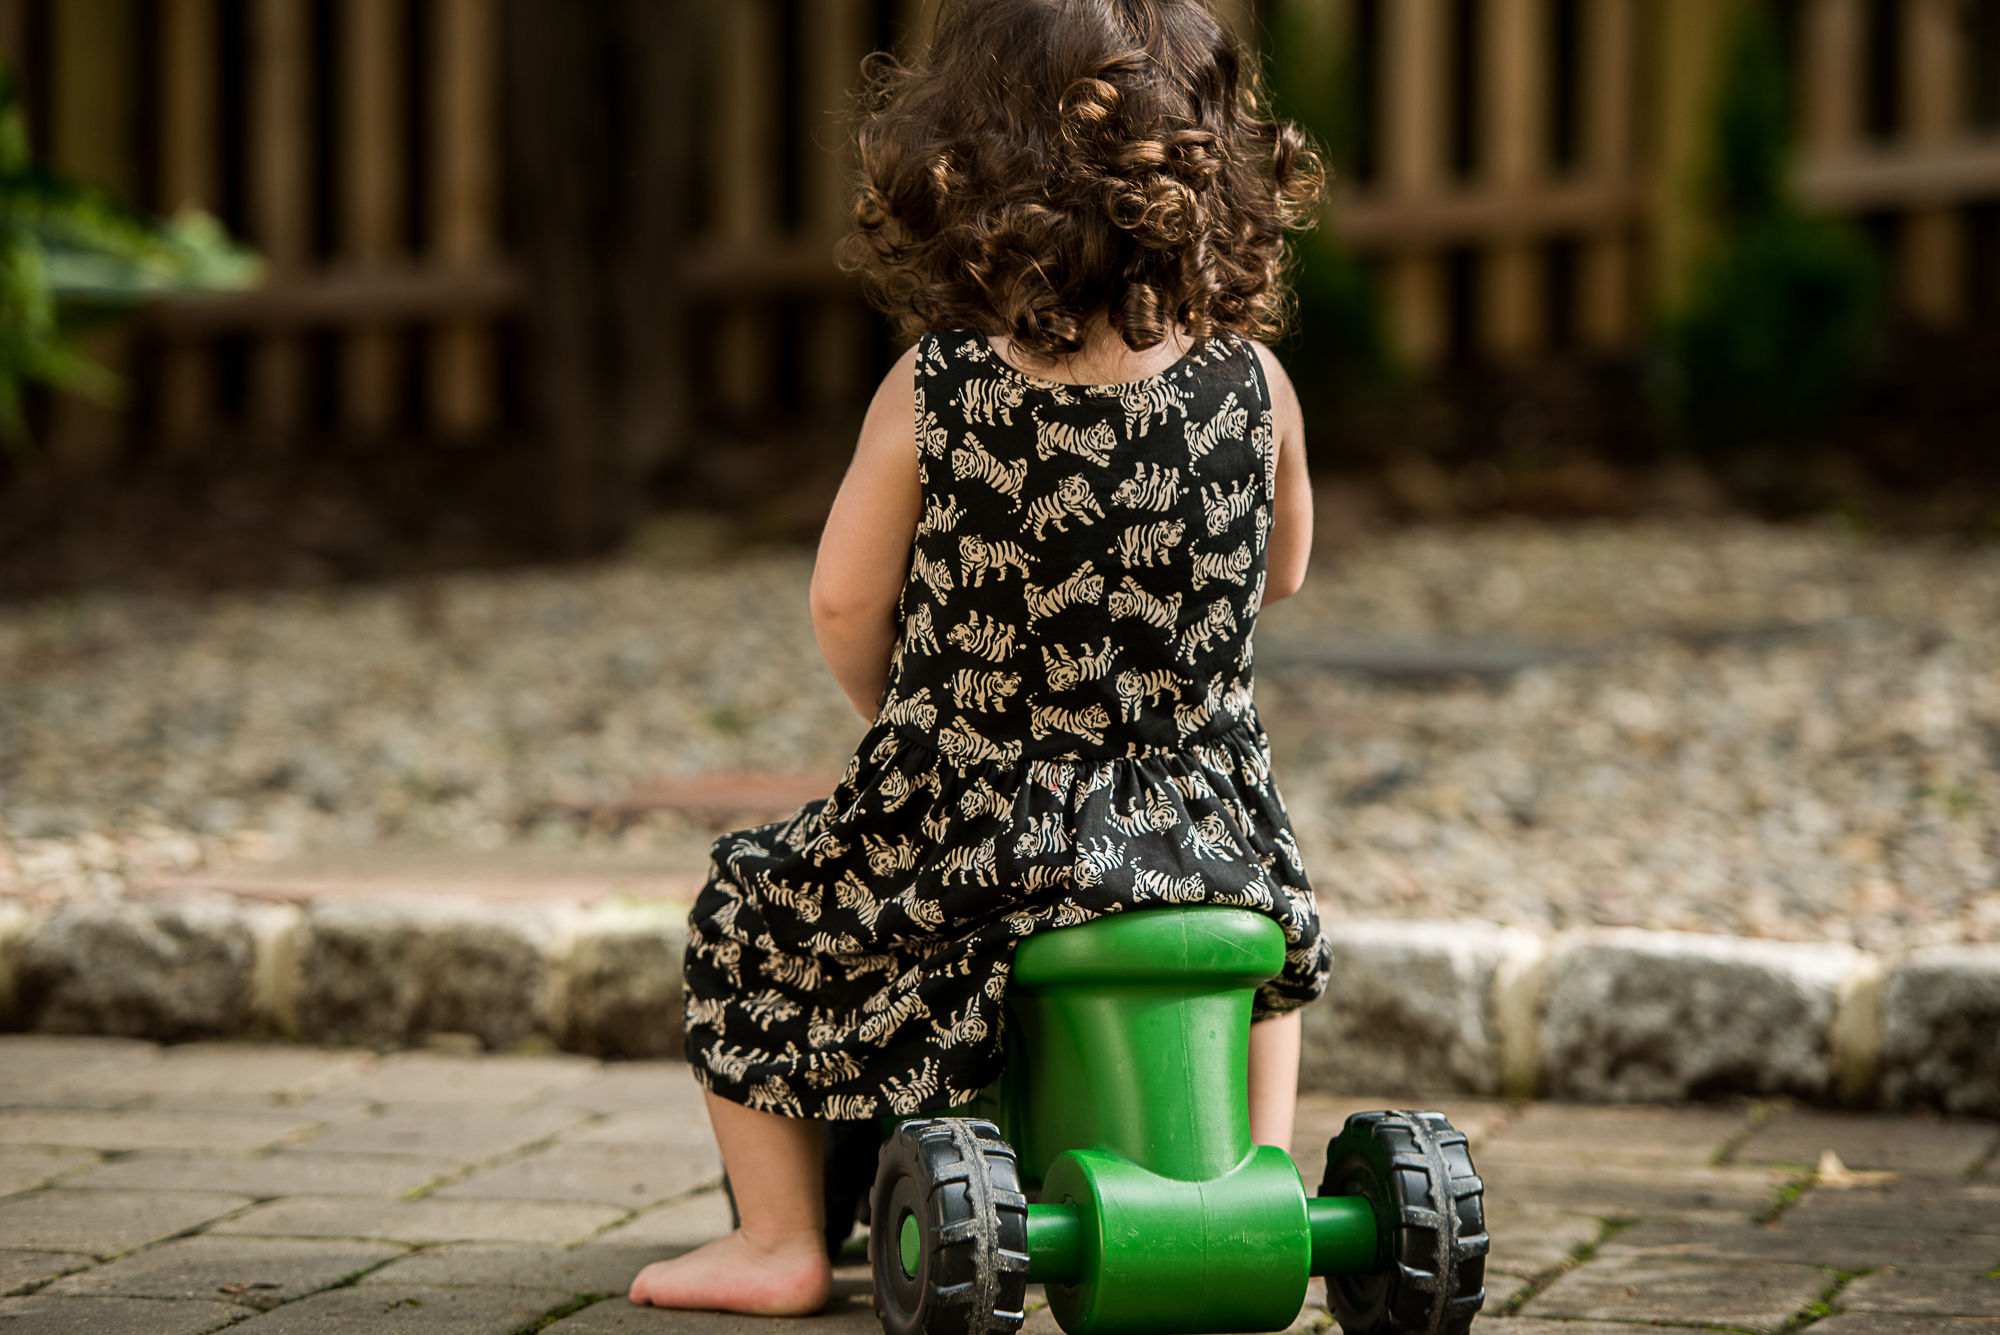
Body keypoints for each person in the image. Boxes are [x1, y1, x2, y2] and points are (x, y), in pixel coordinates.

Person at [630, 0, 1332, 1316]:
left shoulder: (938, 388)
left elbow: (844, 605)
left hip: (983, 820)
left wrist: (913, 729)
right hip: (1208, 825)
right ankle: (1266, 1177)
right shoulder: (1255, 385)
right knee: (1265, 960)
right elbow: (1282, 570)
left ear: (965, 173)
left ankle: (778, 1241)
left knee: (751, 918)